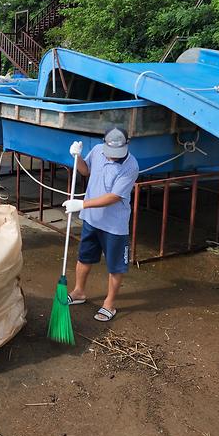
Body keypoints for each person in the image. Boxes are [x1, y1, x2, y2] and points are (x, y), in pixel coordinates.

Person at [62, 127, 140, 322]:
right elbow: (86, 171)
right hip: (91, 219)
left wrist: (82, 204)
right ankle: (79, 291)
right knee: (84, 257)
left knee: (115, 266)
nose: (113, 156)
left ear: (127, 145)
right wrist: (77, 157)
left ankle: (109, 304)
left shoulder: (131, 166)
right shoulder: (97, 151)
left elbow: (114, 197)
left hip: (114, 225)